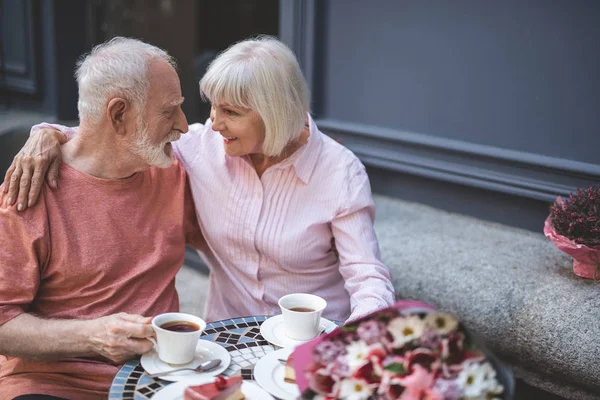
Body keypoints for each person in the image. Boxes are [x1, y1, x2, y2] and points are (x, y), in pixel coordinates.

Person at [3, 36, 395, 323]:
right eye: (212, 107)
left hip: (314, 338)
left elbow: (368, 278)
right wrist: (47, 133)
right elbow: (110, 135)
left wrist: (352, 343)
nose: (213, 122)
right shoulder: (202, 145)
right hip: (230, 339)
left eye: (231, 111)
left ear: (274, 114)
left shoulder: (339, 173)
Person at [0, 37, 204, 399]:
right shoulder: (29, 191)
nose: (184, 125)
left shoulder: (171, 167)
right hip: (53, 384)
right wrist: (91, 336)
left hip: (159, 377)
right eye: (169, 111)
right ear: (118, 115)